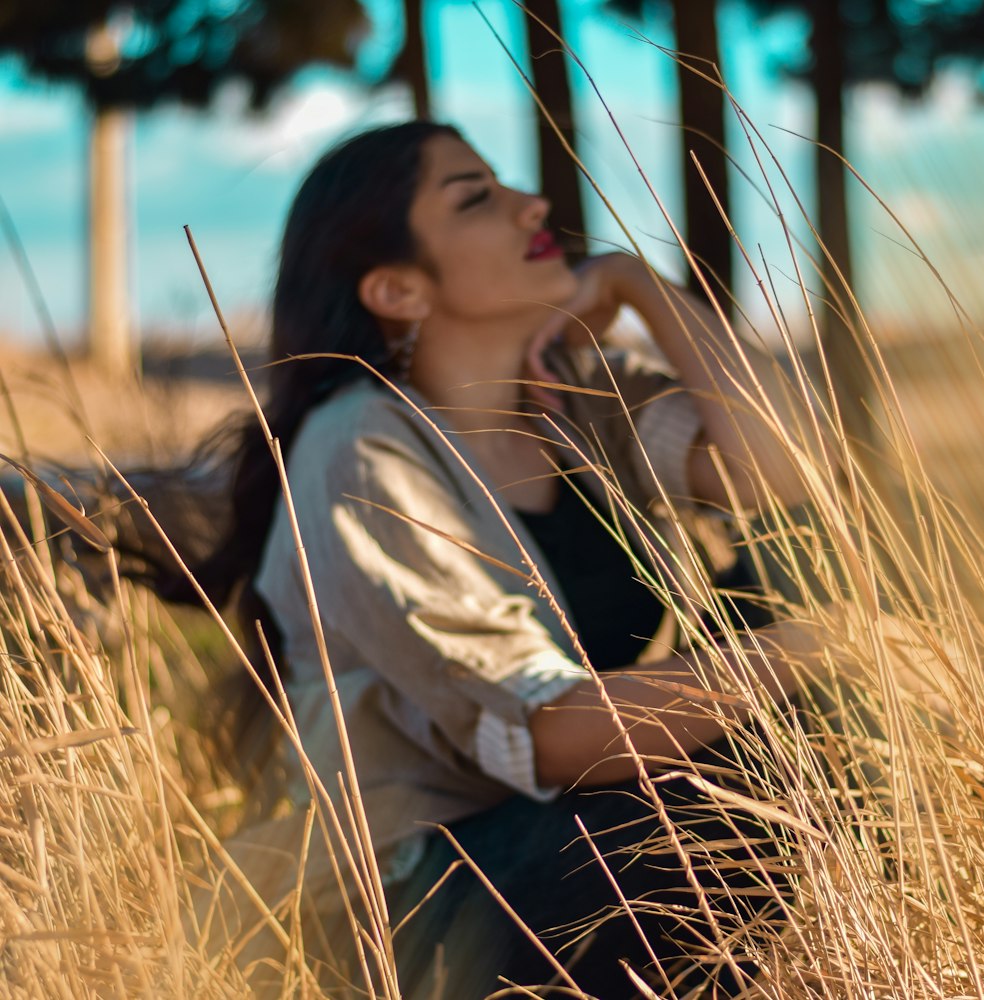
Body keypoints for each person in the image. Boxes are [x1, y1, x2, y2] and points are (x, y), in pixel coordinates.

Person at [149, 122, 819, 997]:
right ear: (398, 287)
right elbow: (545, 732)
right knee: (718, 798)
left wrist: (638, 284)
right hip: (428, 900)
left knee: (798, 596)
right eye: (475, 198)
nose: (530, 205)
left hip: (580, 835)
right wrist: (814, 651)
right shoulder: (360, 449)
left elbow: (784, 471)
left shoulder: (576, 405)